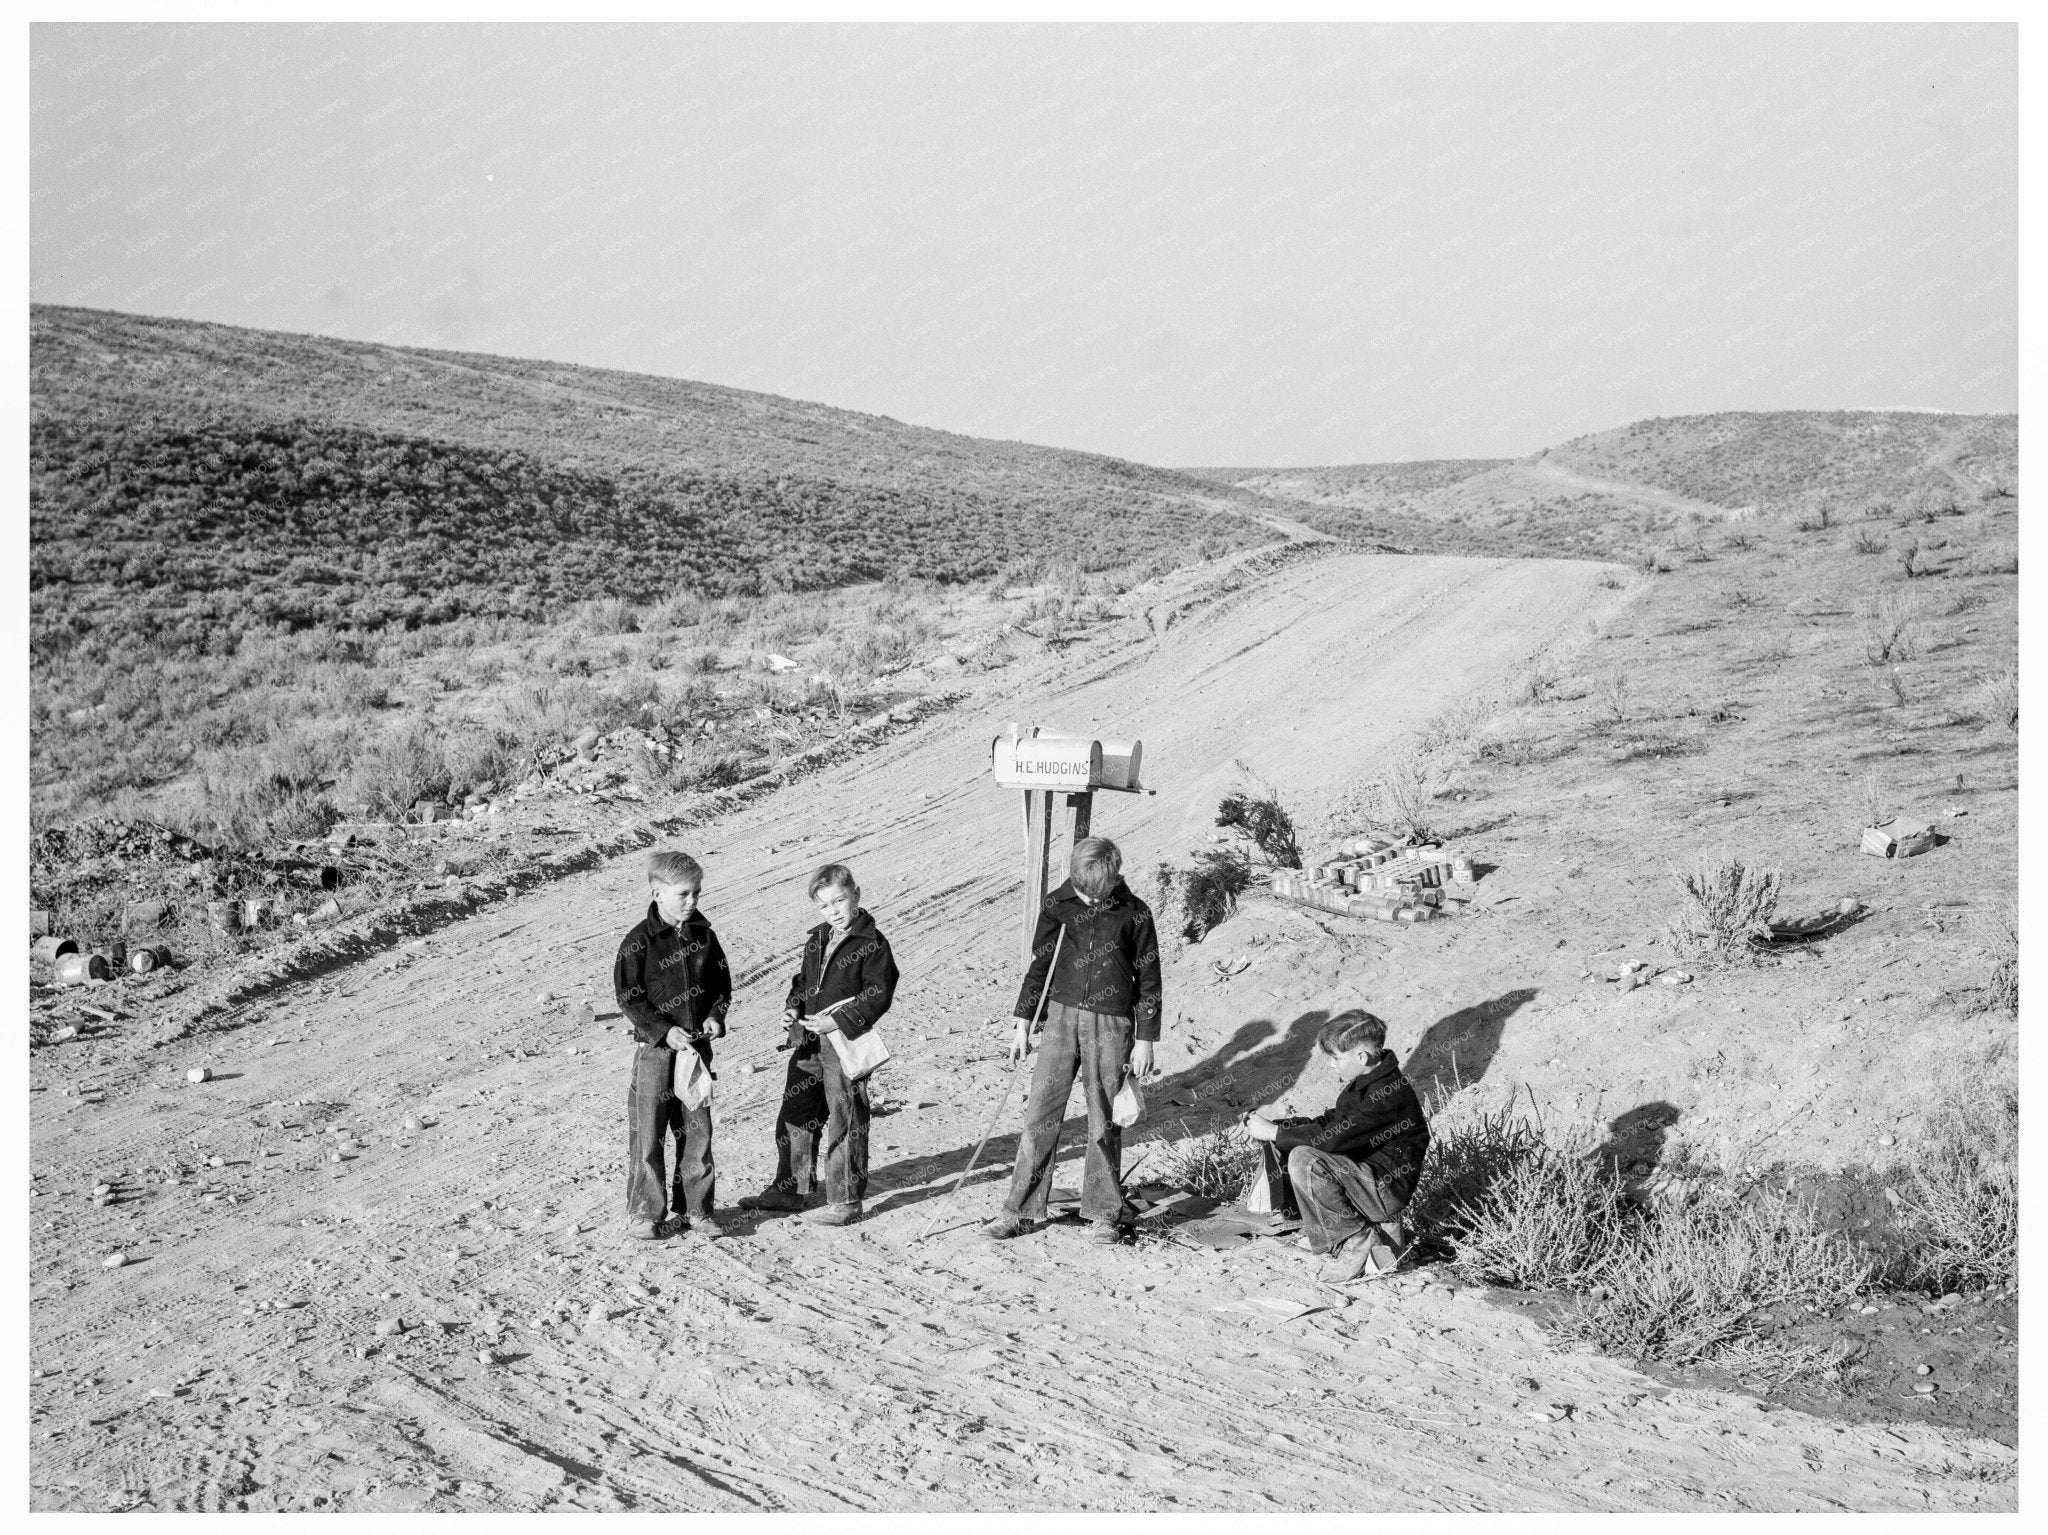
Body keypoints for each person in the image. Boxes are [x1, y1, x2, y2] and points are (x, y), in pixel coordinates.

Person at [986, 836, 1162, 1246]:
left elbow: (1150, 979)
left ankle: (1104, 1213)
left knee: (1104, 1119)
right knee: (1040, 1115)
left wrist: (1146, 1039)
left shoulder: (1136, 913)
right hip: (1060, 1019)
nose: (1088, 896)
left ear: (1112, 877)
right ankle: (1020, 1211)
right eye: (1083, 889)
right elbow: (1039, 965)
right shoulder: (1057, 905)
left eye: (1095, 890)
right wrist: (1022, 1022)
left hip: (1114, 1024)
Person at [737, 864, 898, 1227]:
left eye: (839, 901)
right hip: (808, 1042)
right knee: (796, 1110)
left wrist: (837, 1021)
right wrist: (793, 1007)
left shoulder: (872, 944)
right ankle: (789, 1189)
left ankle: (846, 1200)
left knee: (846, 1117)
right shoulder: (818, 939)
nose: (834, 911)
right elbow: (803, 982)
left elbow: (880, 994)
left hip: (844, 1044)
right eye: (824, 906)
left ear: (856, 893)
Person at [1242, 1009, 1430, 1280]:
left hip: (1385, 1190)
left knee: (1305, 1160)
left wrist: (1274, 1133)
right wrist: (1280, 1127)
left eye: (1335, 1058)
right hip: (1368, 1180)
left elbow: (1331, 1139)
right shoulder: (1368, 1083)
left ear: (1361, 1056)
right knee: (1295, 1145)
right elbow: (1330, 1123)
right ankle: (1337, 1236)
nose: (1331, 1065)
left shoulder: (1386, 1095)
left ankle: (1358, 1243)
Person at [613, 850, 732, 1241]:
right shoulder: (638, 943)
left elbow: (721, 987)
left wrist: (716, 1016)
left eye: (697, 892)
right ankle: (646, 1212)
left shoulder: (705, 936)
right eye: (683, 894)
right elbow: (629, 998)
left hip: (696, 1051)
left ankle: (697, 1210)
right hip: (656, 1051)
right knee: (649, 1131)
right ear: (656, 892)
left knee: (697, 1131)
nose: (693, 901)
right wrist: (663, 1031)